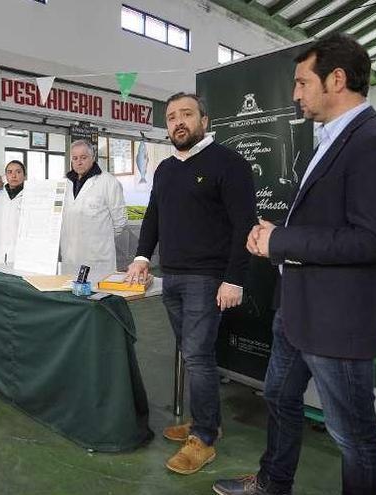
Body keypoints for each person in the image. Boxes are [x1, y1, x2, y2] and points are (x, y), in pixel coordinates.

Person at [213, 34, 376, 495]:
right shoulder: (331, 139)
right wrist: (276, 230)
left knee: (353, 437)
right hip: (298, 310)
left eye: (303, 82)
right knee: (281, 398)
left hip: (337, 321)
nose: (296, 94)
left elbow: (372, 241)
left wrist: (280, 240)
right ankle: (272, 483)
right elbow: (327, 220)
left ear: (336, 79)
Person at [125, 92, 257, 475]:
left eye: (186, 114)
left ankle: (204, 439)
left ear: (205, 120)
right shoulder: (166, 169)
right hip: (172, 276)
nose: (178, 122)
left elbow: (243, 225)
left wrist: (234, 278)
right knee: (191, 353)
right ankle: (206, 420)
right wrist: (141, 257)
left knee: (197, 357)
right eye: (171, 117)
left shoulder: (228, 163)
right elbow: (154, 216)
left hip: (208, 278)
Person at [59, 140, 126, 275]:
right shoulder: (64, 184)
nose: (79, 162)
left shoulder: (108, 182)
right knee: (68, 291)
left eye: (83, 157)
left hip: (98, 259)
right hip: (69, 257)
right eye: (75, 158)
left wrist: (100, 241)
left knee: (96, 294)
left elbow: (120, 222)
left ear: (92, 157)